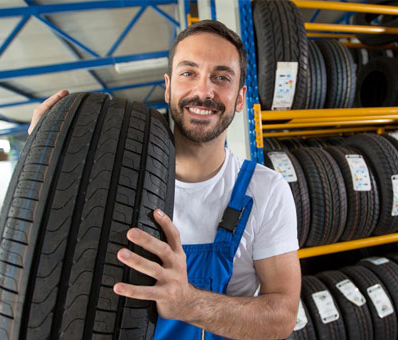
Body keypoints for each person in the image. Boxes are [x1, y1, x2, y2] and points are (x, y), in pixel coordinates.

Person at [29, 20, 300, 340]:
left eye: (221, 77)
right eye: (189, 73)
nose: (204, 90)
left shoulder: (265, 190)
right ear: (169, 87)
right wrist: (45, 162)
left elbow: (282, 316)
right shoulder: (114, 182)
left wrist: (189, 304)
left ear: (240, 98)